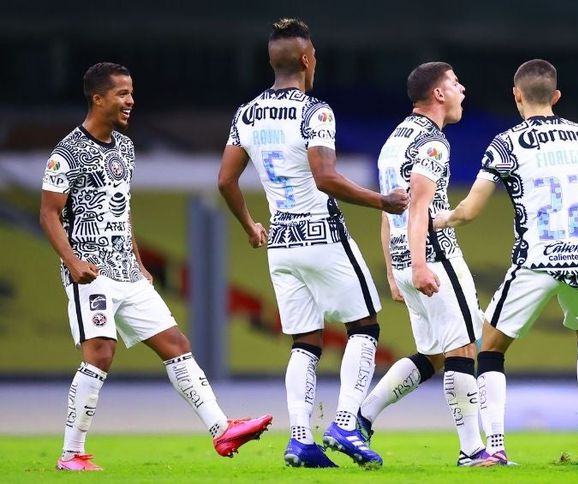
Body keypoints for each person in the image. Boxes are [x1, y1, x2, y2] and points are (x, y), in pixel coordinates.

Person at [40, 62, 272, 472]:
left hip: (127, 271)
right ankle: (71, 454)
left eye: (131, 92)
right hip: (90, 272)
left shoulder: (125, 148)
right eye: (122, 94)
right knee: (101, 354)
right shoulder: (66, 153)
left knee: (176, 344)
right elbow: (48, 214)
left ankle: (221, 430)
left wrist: (138, 261)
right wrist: (73, 262)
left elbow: (122, 209)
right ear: (98, 98)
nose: (131, 100)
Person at [217, 18, 408, 468]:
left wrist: (250, 226)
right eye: (315, 54)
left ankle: (301, 440)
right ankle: (344, 424)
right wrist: (382, 201)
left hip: (281, 243)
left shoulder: (246, 113)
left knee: (305, 342)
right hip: (321, 235)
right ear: (306, 60)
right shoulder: (315, 111)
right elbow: (325, 178)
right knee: (364, 326)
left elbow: (225, 180)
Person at [435, 59, 578, 464]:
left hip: (537, 259)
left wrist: (439, 219)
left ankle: (496, 447)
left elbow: (470, 211)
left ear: (516, 95)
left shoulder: (506, 143)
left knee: (491, 345)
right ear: (556, 96)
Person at [355, 62, 495, 467]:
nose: (462, 89)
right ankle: (472, 451)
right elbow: (418, 206)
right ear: (438, 94)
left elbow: (388, 210)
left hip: (405, 258)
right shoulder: (432, 142)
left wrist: (393, 270)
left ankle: (361, 418)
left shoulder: (395, 138)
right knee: (463, 346)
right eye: (455, 83)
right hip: (434, 257)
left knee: (432, 354)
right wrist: (419, 266)